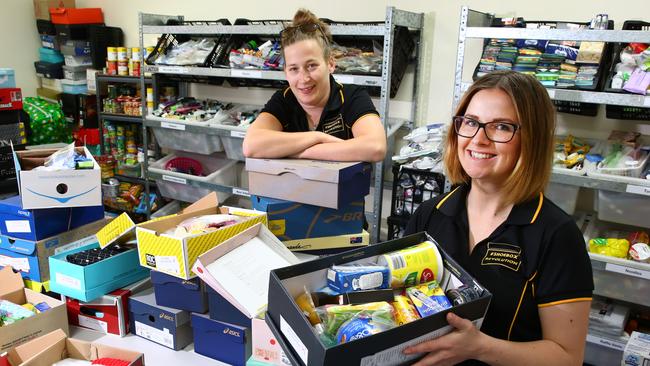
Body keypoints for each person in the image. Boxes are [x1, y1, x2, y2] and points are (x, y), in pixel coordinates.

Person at [403, 70, 594, 365]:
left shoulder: (556, 234)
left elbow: (567, 357)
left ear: (532, 139)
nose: (478, 139)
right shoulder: (429, 215)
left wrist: (480, 347)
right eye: (470, 122)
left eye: (501, 127)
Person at [242, 9, 387, 162]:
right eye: (294, 69)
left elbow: (376, 147)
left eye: (311, 66)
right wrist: (317, 137)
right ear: (285, 72)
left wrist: (297, 152)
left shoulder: (352, 97)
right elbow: (251, 145)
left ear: (330, 64)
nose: (303, 79)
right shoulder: (284, 99)